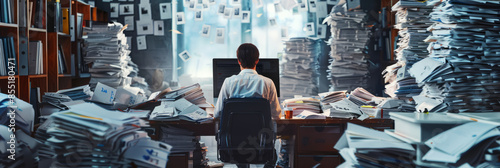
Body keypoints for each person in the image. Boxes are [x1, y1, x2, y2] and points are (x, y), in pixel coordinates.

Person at [214, 43, 281, 168]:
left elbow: (217, 113)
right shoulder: (268, 83)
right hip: (261, 143)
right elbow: (276, 115)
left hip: (234, 145)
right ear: (257, 60)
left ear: (238, 61)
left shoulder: (229, 82)